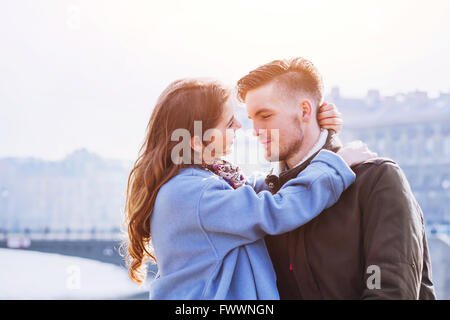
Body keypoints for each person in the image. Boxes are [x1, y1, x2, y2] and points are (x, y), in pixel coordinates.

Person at [122, 78, 375, 299]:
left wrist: (316, 133)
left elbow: (264, 186)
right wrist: (336, 163)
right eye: (229, 123)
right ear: (198, 142)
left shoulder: (195, 183)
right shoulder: (195, 194)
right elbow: (278, 209)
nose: (240, 128)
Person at [237, 57, 436, 299]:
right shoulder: (268, 199)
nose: (255, 131)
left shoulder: (376, 180)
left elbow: (389, 290)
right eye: (251, 119)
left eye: (265, 116)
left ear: (304, 111)